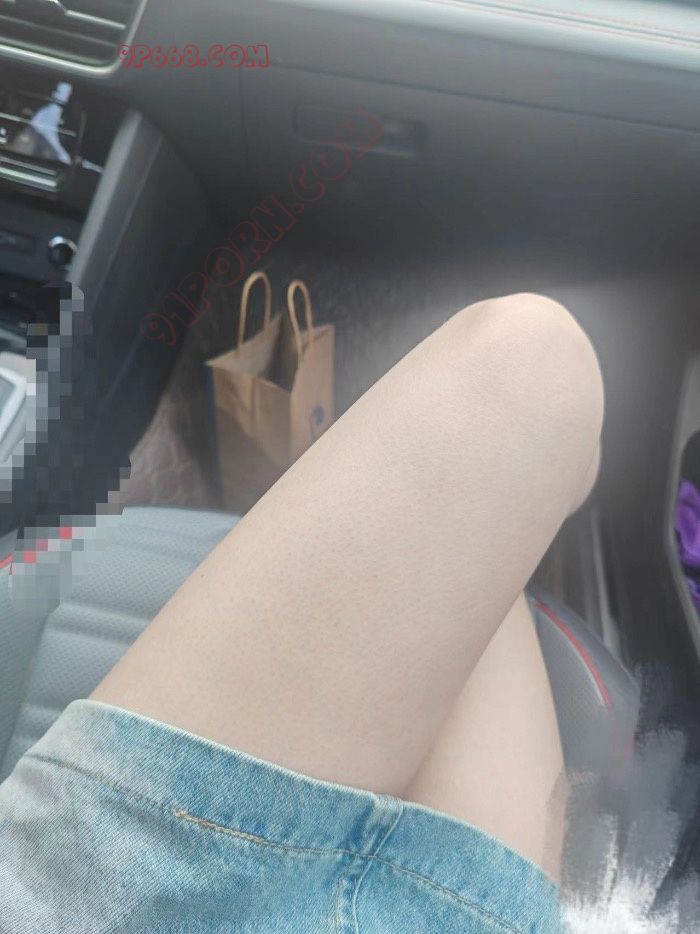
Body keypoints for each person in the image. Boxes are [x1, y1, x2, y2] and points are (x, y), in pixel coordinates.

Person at [0, 292, 603, 932]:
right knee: (531, 357)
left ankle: (536, 484)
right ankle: (569, 482)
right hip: (100, 895)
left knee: (475, 530)